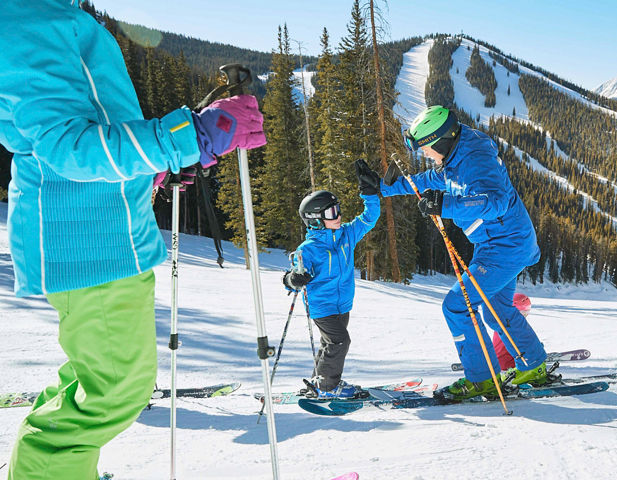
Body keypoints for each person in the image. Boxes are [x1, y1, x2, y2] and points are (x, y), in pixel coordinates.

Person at [0, 2, 266, 478]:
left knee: (98, 380)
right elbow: (68, 148)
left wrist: (153, 167)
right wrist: (190, 138)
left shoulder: (45, 12)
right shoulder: (27, 17)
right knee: (116, 388)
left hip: (106, 231)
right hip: (87, 240)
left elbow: (89, 123)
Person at [378, 105, 549, 400]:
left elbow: (494, 201)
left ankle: (482, 379)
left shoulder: (476, 160)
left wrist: (445, 205)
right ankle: (533, 365)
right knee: (496, 310)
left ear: (442, 140)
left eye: (428, 149)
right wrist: (383, 188)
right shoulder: (456, 154)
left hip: (505, 246)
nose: (426, 156)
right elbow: (430, 182)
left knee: (457, 305)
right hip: (498, 243)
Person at [282, 160, 381, 399]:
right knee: (339, 342)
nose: (337, 216)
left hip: (343, 304)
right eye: (330, 213)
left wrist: (370, 193)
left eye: (337, 210)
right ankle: (328, 386)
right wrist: (294, 279)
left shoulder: (346, 234)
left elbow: (370, 218)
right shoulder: (309, 249)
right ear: (314, 219)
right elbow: (291, 276)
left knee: (330, 344)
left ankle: (319, 380)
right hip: (322, 307)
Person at [493, 293, 532, 372]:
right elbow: (523, 344)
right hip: (509, 365)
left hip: (500, 361)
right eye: (523, 312)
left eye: (528, 311)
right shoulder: (512, 325)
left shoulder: (504, 320)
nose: (525, 315)